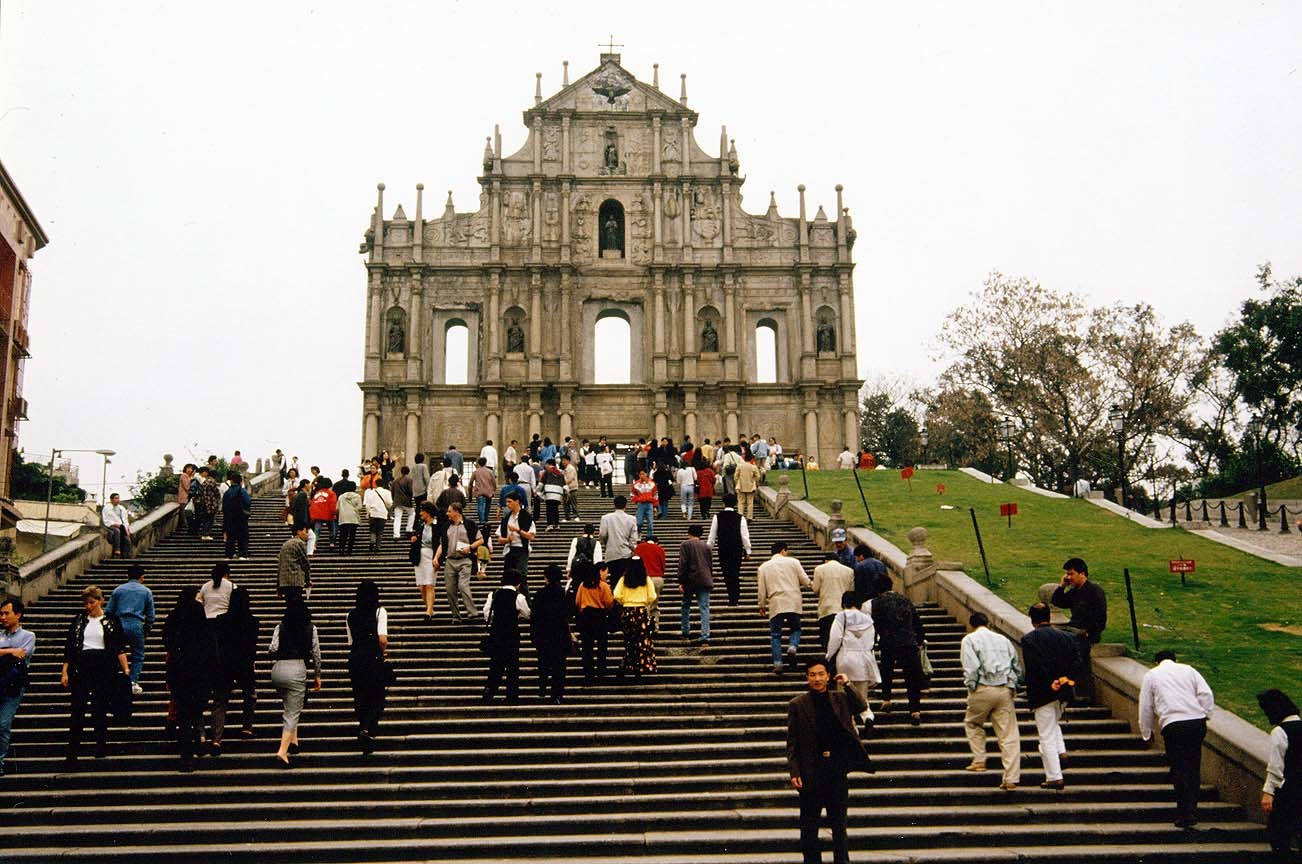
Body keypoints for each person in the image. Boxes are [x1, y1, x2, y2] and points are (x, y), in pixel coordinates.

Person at [787, 658, 872, 864]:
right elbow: (792, 742)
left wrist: (848, 684)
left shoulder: (839, 699)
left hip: (836, 770)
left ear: (827, 676)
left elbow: (861, 705)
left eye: (821, 674)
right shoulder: (797, 704)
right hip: (810, 772)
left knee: (839, 826)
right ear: (807, 678)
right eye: (812, 675)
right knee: (809, 827)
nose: (817, 679)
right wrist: (794, 771)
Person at [1139, 648, 1215, 829]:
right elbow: (1206, 694)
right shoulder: (1188, 669)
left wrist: (1146, 733)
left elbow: (1145, 706)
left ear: (1157, 662)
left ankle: (1183, 812)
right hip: (1196, 721)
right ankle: (1191, 810)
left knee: (1178, 766)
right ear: (1175, 659)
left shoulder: (1152, 675)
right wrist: (1205, 714)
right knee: (1193, 766)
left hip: (1173, 723)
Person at [61, 585, 130, 762]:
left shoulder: (112, 620)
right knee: (78, 709)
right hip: (82, 664)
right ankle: (72, 750)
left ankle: (100, 746)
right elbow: (69, 648)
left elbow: (118, 647)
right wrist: (65, 672)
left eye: (92, 602)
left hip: (104, 666)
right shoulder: (78, 620)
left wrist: (126, 669)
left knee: (99, 708)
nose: (88, 606)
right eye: (86, 603)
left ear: (101, 601)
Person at [1020, 602, 1083, 790]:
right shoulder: (1068, 637)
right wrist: (1067, 679)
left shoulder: (1029, 640)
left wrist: (1051, 682)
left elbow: (1034, 667)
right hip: (1063, 691)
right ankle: (1061, 751)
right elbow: (1078, 661)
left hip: (1042, 692)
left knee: (1045, 734)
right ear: (1050, 617)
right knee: (1053, 722)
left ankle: (1055, 776)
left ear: (1032, 620)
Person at [960, 612, 1023, 790]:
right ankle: (1011, 778)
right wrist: (1012, 685)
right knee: (1008, 734)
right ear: (988, 623)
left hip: (982, 687)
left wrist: (971, 686)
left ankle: (979, 759)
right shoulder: (1003, 640)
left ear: (971, 624)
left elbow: (971, 667)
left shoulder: (969, 640)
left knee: (972, 722)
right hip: (1004, 688)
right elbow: (1016, 666)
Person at [162, 588, 217, 772]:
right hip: (200, 675)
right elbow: (212, 650)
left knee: (183, 716)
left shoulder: (175, 617)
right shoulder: (201, 619)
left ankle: (186, 758)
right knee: (196, 711)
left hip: (179, 673)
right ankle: (198, 741)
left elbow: (166, 640)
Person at [269, 596, 321, 768]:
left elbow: (273, 648)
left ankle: (294, 742)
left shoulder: (280, 626)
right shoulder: (310, 628)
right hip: (297, 667)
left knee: (290, 705)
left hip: (278, 670)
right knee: (292, 712)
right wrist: (317, 675)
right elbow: (316, 653)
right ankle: (282, 751)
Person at [1051, 557, 1107, 699]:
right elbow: (1059, 601)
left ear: (1082, 573)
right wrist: (1062, 586)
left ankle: (1081, 692)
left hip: (1086, 633)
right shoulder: (1075, 591)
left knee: (1078, 659)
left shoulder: (1094, 591)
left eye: (1071, 574)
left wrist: (1090, 633)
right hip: (1073, 631)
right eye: (1067, 574)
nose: (1069, 577)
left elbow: (1101, 617)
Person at [211, 585, 259, 747]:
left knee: (220, 701)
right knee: (249, 695)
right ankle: (247, 726)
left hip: (224, 664)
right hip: (244, 664)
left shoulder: (220, 621)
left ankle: (217, 738)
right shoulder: (253, 622)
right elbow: (252, 646)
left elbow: (216, 644)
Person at [1258, 688, 1301, 860]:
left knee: (1278, 833)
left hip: (1288, 789)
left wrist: (1268, 792)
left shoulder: (1280, 731)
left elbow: (1276, 766)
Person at [825, 591, 879, 729]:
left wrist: (829, 655)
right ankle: (868, 717)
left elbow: (835, 638)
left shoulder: (841, 617)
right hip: (864, 658)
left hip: (846, 658)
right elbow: (874, 641)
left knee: (843, 697)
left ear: (843, 603)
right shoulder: (868, 619)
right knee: (861, 696)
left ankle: (851, 727)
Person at [872, 586, 925, 725]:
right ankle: (915, 710)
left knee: (887, 671)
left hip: (888, 642)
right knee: (911, 677)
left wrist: (873, 641)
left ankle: (887, 699)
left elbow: (876, 623)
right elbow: (916, 620)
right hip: (908, 641)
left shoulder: (878, 602)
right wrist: (920, 639)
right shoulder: (905, 599)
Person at [347, 580, 389, 754]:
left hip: (356, 659)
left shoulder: (350, 614)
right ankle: (369, 728)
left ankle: (363, 725)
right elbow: (382, 639)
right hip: (373, 657)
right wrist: (382, 651)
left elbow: (350, 641)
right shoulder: (379, 611)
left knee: (360, 695)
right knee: (377, 695)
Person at [757, 541, 812, 674]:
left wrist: (762, 605)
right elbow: (805, 580)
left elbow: (761, 589)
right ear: (783, 550)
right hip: (793, 600)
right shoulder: (794, 562)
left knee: (776, 635)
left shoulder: (764, 567)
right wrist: (813, 585)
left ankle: (778, 663)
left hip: (776, 602)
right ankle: (792, 646)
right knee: (796, 628)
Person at [482, 571, 531, 702]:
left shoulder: (493, 594)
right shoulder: (518, 597)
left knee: (496, 664)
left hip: (496, 633)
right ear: (518, 583)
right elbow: (526, 613)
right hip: (511, 634)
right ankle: (512, 695)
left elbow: (486, 612)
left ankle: (489, 691)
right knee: (512, 665)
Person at [0, 597, 35, 778]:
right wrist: (10, 651)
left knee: (3, 723)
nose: (3, 617)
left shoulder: (28, 636)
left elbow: (22, 656)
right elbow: (14, 654)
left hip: (13, 685)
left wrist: (5, 653)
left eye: (7, 613)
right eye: (1, 614)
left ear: (18, 615)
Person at [106, 564, 154, 694]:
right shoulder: (146, 591)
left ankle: (114, 680)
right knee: (138, 655)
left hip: (118, 624)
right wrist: (146, 630)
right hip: (136, 624)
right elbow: (150, 615)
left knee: (116, 652)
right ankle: (132, 681)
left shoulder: (118, 590)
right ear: (142, 577)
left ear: (127, 576)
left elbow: (108, 611)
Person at [432, 501, 483, 624]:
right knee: (450, 589)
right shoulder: (446, 526)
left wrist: (470, 547)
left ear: (457, 512)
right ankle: (456, 615)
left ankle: (473, 613)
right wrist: (436, 557)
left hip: (464, 560)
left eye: (449, 511)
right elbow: (442, 544)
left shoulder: (469, 524)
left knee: (463, 585)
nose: (447, 513)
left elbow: (480, 539)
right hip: (450, 560)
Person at [531, 564, 571, 703]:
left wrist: (534, 636)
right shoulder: (563, 593)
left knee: (543, 663)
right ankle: (557, 694)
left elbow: (534, 617)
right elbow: (567, 614)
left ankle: (542, 688)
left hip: (543, 635)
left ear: (546, 577)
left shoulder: (539, 594)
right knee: (559, 666)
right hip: (560, 634)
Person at [613, 557, 658, 679]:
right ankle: (641, 666)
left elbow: (616, 594)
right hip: (641, 612)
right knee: (642, 641)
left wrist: (624, 601)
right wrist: (645, 602)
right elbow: (653, 596)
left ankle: (627, 665)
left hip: (628, 612)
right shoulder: (646, 579)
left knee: (629, 641)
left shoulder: (624, 579)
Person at [573, 561, 614, 683]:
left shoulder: (582, 585)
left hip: (586, 616)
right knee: (601, 645)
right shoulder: (603, 586)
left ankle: (588, 672)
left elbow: (577, 602)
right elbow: (609, 603)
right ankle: (601, 670)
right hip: (599, 616)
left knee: (587, 646)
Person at [708, 493, 751, 606]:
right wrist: (748, 551)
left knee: (726, 573)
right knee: (735, 573)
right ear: (735, 503)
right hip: (736, 549)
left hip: (723, 549)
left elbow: (712, 536)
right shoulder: (740, 517)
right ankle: (735, 597)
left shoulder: (717, 517)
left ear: (724, 503)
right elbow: (745, 536)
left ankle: (731, 596)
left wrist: (708, 549)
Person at [811, 551, 856, 659]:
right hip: (843, 609)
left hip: (826, 608)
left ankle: (829, 659)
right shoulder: (849, 571)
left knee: (827, 637)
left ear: (826, 560)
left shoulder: (819, 569)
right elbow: (851, 591)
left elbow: (815, 589)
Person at [677, 524, 713, 645]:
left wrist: (681, 581)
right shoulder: (707, 546)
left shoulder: (685, 545)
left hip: (690, 580)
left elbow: (683, 563)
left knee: (686, 606)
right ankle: (705, 634)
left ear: (689, 533)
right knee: (704, 607)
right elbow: (709, 564)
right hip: (705, 579)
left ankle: (685, 631)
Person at [497, 491, 536, 595]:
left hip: (522, 549)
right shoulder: (506, 518)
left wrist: (518, 530)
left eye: (509, 502)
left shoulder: (526, 516)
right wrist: (507, 540)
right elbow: (499, 539)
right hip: (510, 550)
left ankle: (525, 602)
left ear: (517, 501)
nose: (507, 505)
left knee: (521, 577)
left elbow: (531, 536)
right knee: (508, 577)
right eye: (506, 502)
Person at [410, 501, 440, 620]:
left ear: (428, 512)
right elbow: (416, 538)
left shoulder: (437, 525)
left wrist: (437, 558)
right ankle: (430, 608)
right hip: (419, 556)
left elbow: (440, 542)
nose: (421, 513)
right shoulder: (419, 525)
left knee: (429, 584)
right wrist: (414, 539)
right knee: (421, 585)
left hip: (431, 555)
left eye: (423, 511)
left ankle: (428, 610)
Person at [599, 494, 638, 582]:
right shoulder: (632, 519)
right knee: (625, 579)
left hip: (611, 553)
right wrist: (633, 549)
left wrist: (606, 544)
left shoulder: (606, 518)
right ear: (625, 505)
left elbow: (602, 534)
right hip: (626, 553)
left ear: (614, 505)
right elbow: (633, 539)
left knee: (614, 579)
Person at [634, 534, 666, 632]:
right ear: (656, 542)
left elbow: (635, 563)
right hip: (657, 578)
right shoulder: (659, 549)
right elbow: (663, 565)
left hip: (643, 578)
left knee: (644, 603)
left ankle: (644, 626)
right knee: (654, 604)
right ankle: (655, 626)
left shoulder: (639, 548)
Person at [221, 472, 252, 560]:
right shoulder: (242, 491)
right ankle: (242, 554)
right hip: (240, 517)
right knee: (242, 536)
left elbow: (224, 506)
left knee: (230, 537)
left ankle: (229, 554)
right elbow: (247, 502)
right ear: (240, 481)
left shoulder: (227, 492)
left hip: (229, 518)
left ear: (231, 481)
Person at [277, 525, 311, 603]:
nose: (307, 534)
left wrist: (278, 585)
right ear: (299, 532)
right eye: (305, 531)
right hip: (295, 580)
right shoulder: (299, 543)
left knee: (290, 606)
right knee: (297, 605)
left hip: (284, 582)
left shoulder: (285, 544)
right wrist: (308, 580)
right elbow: (304, 562)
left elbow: (280, 566)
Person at [306, 476, 337, 556]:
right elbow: (333, 504)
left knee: (317, 531)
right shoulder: (331, 493)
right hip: (329, 514)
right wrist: (334, 513)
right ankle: (332, 543)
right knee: (332, 529)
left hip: (318, 515)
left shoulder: (317, 493)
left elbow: (312, 504)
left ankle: (314, 545)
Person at [363, 479, 392, 553]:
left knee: (372, 529)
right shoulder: (387, 492)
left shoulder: (371, 493)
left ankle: (372, 541)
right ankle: (378, 547)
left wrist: (367, 513)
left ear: (375, 484)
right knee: (380, 530)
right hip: (382, 514)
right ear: (383, 485)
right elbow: (389, 503)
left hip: (373, 513)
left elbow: (367, 505)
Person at [101, 493, 133, 558]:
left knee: (127, 539)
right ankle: (117, 549)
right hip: (111, 526)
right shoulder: (107, 508)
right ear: (111, 499)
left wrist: (126, 528)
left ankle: (127, 555)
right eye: (116, 498)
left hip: (121, 526)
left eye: (118, 498)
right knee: (117, 531)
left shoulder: (121, 508)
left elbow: (125, 519)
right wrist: (114, 524)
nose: (117, 500)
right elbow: (106, 519)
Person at [336, 484, 364, 555]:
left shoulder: (341, 496)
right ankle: (349, 550)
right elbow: (360, 507)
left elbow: (337, 508)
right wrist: (354, 509)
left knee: (343, 534)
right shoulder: (357, 496)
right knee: (352, 534)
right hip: (353, 517)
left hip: (343, 518)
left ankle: (341, 548)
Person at [540, 459, 566, 531]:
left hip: (549, 493)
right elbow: (564, 484)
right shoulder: (560, 473)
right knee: (555, 509)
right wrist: (565, 494)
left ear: (548, 464)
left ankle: (550, 524)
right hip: (558, 494)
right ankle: (557, 524)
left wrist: (537, 492)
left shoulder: (547, 472)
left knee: (549, 509)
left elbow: (541, 483)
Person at [470, 456, 497, 526]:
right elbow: (494, 482)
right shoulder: (490, 472)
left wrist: (470, 492)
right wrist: (494, 490)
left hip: (479, 491)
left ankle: (482, 520)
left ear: (478, 463)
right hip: (488, 491)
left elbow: (471, 483)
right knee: (488, 505)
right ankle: (486, 518)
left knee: (480, 505)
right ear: (486, 463)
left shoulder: (475, 472)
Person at [630, 469, 658, 538]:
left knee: (650, 523)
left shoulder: (652, 483)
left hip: (650, 504)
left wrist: (655, 506)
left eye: (643, 474)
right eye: (641, 474)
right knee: (639, 522)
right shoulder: (636, 484)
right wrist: (637, 500)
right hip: (641, 504)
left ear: (646, 474)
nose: (642, 475)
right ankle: (639, 532)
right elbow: (632, 494)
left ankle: (649, 537)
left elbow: (655, 495)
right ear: (639, 475)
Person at [734, 453, 762, 521]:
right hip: (751, 486)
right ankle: (749, 517)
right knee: (750, 503)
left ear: (744, 458)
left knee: (741, 502)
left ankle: (740, 515)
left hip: (740, 486)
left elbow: (735, 476)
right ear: (751, 459)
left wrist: (737, 482)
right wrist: (753, 480)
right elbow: (758, 477)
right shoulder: (753, 467)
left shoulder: (739, 466)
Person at [391, 465, 415, 537]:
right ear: (408, 472)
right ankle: (409, 529)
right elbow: (410, 491)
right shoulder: (409, 480)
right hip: (406, 501)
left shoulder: (395, 481)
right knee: (412, 514)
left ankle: (396, 535)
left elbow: (392, 491)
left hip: (397, 501)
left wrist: (394, 499)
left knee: (397, 518)